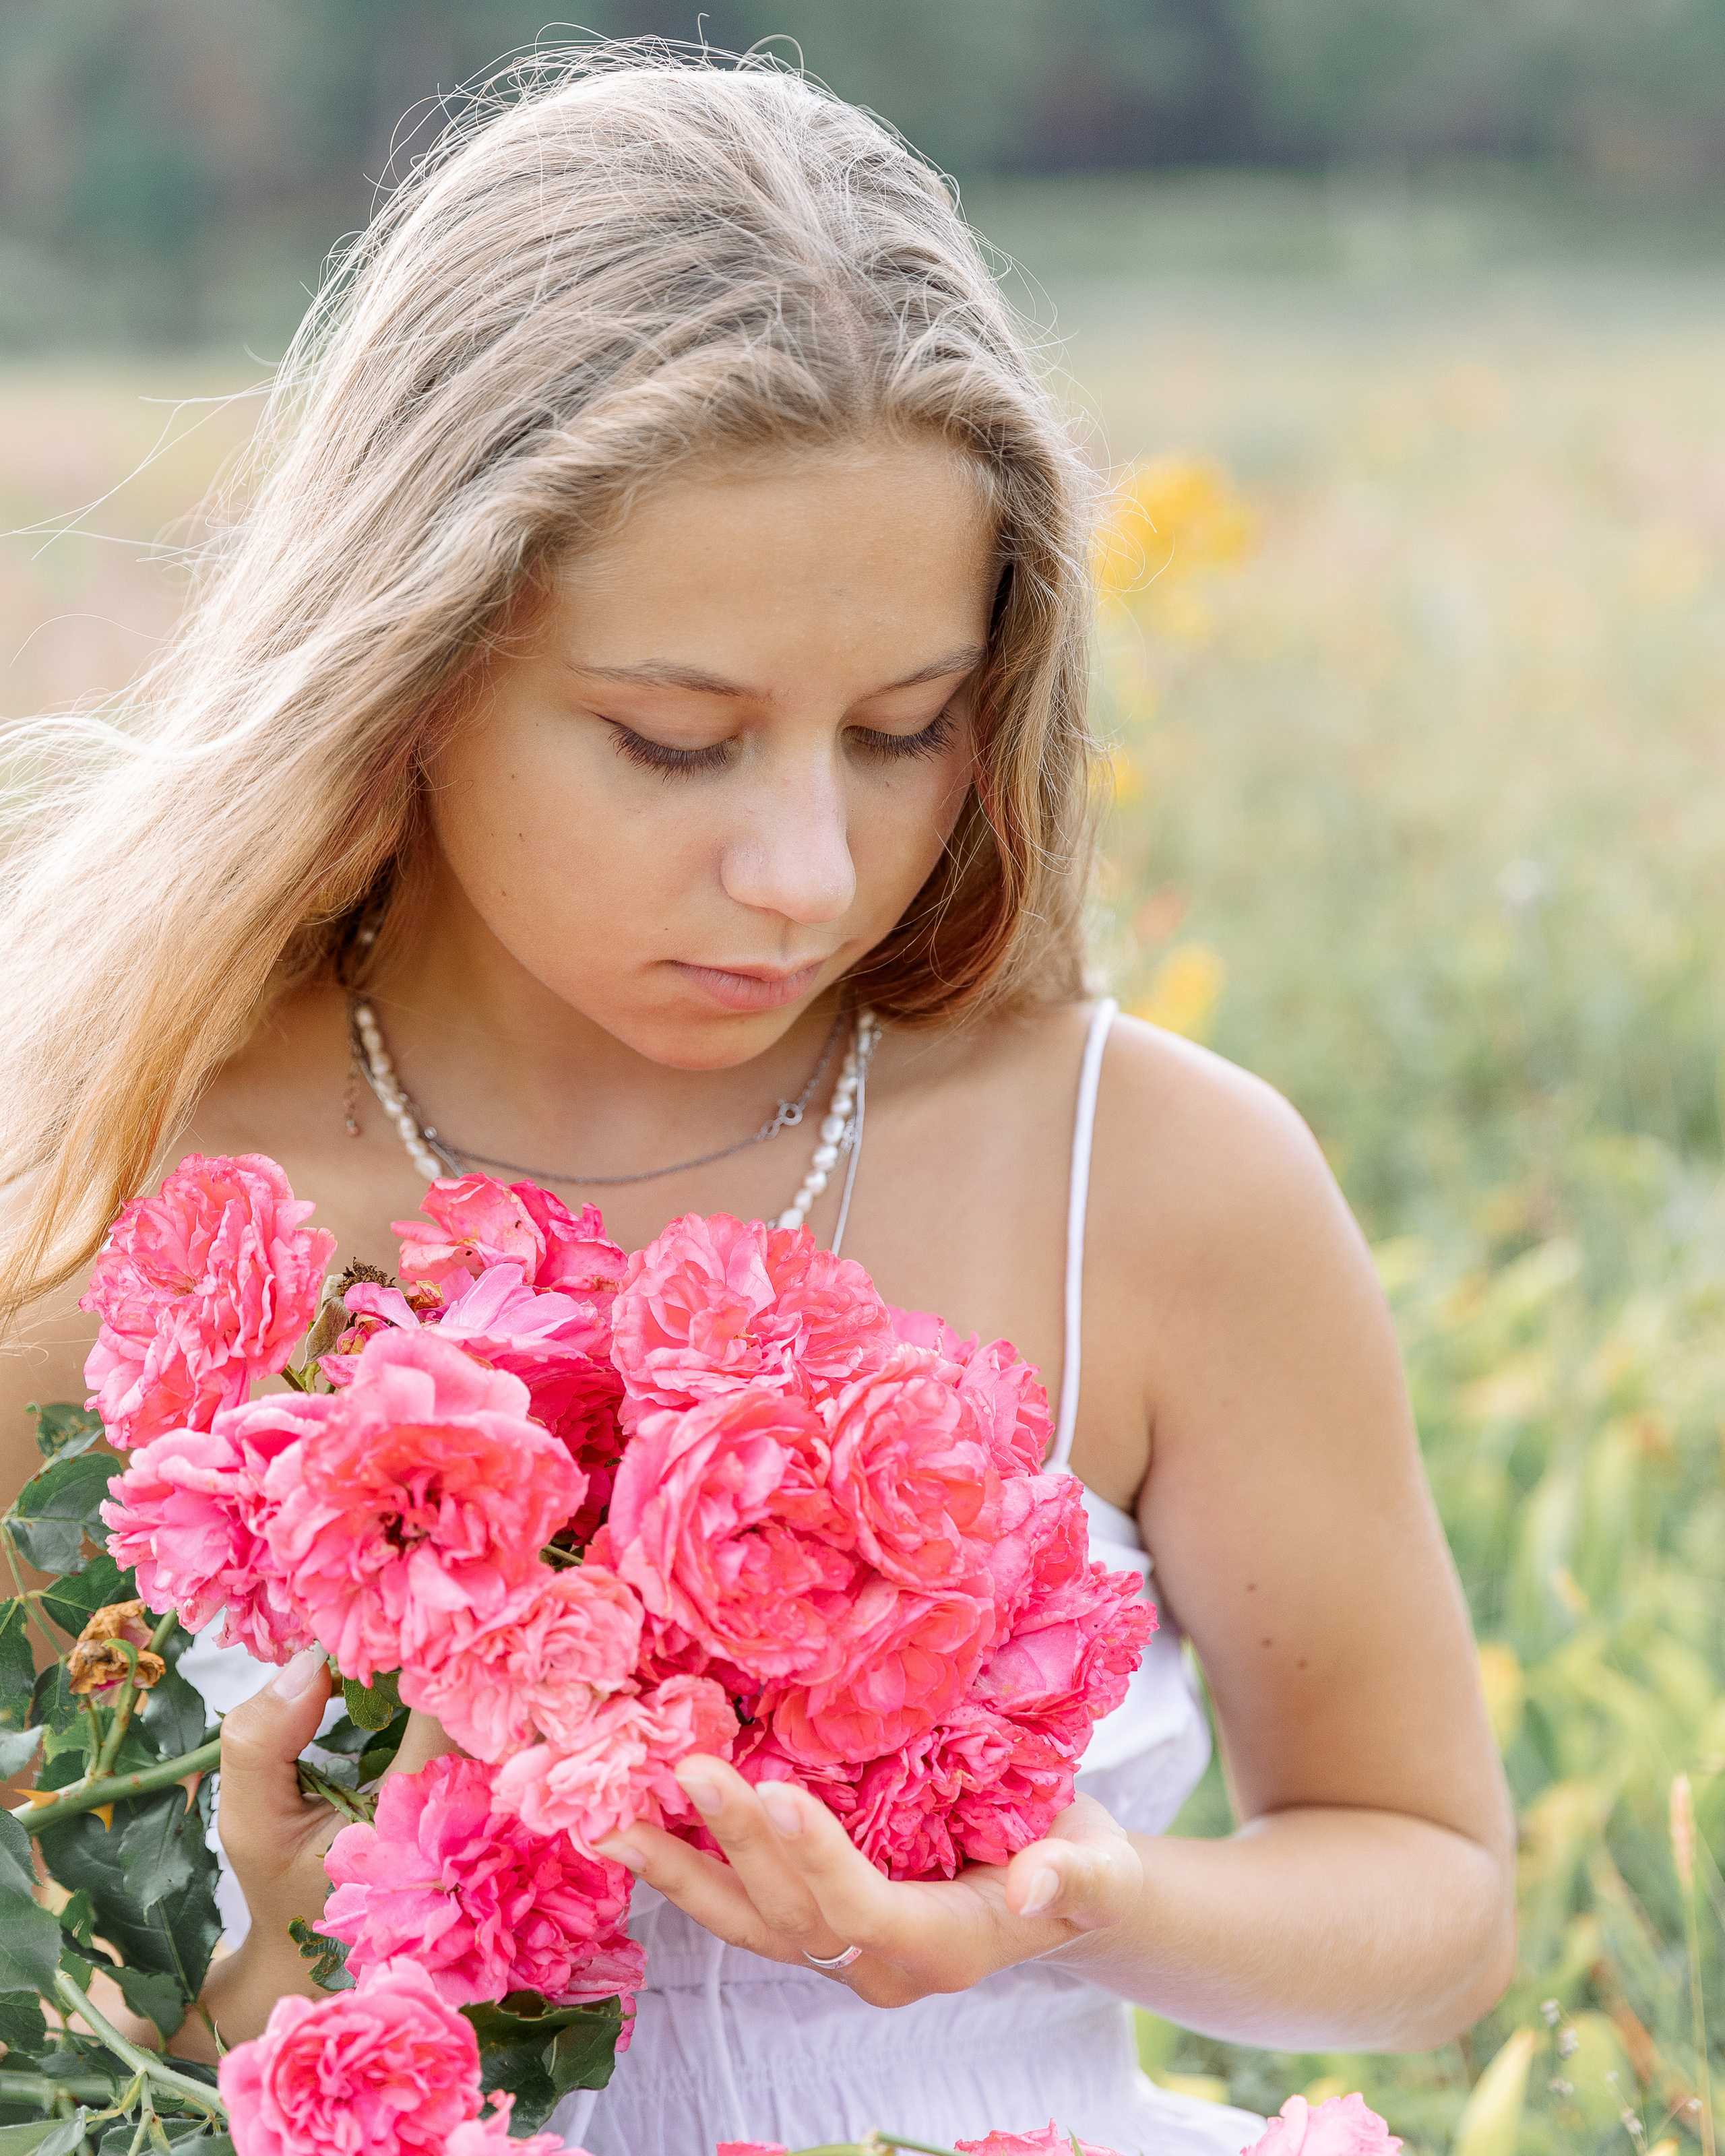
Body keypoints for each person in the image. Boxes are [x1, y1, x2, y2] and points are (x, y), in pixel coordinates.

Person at [0, 49, 1514, 2156]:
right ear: (408, 670)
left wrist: (1066, 1903)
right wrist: (234, 1969)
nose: (806, 868)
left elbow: (1428, 1893)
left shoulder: (1152, 1180)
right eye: (675, 740)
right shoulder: (115, 1187)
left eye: (904, 728)